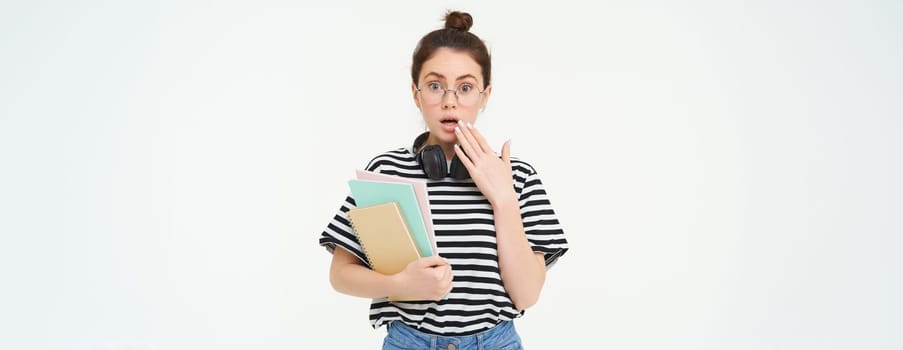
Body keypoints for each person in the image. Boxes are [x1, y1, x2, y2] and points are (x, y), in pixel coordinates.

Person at [319, 10, 569, 350]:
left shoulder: (519, 176)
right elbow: (340, 274)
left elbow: (526, 295)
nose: (449, 100)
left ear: (485, 95)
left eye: (465, 87)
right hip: (409, 342)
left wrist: (504, 198)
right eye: (435, 86)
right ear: (415, 93)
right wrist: (401, 283)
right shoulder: (386, 170)